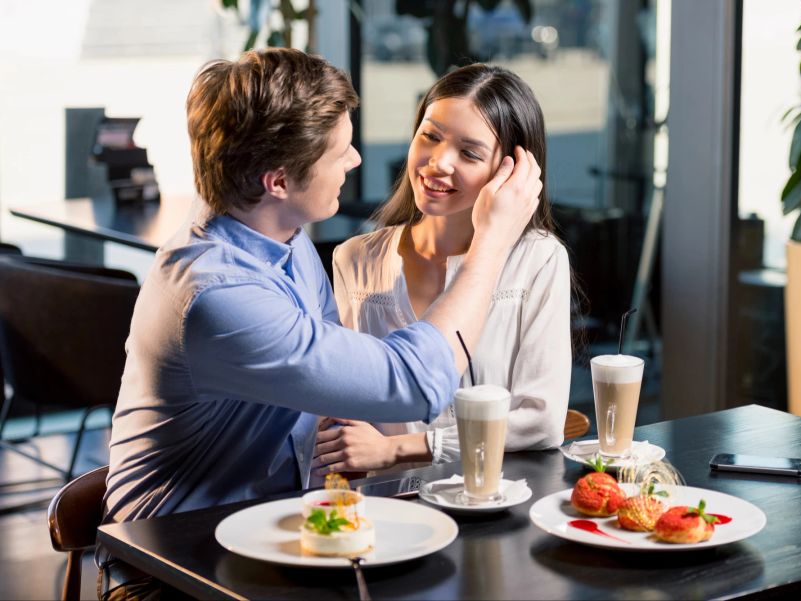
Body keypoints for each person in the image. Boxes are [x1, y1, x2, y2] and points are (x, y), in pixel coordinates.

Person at [97, 49, 541, 600]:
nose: (355, 160)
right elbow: (416, 384)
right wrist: (491, 244)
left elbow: (335, 395)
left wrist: (399, 454)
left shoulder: (284, 235)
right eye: (339, 151)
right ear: (278, 180)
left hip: (274, 533)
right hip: (173, 569)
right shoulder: (217, 295)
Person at [312, 64, 571, 477]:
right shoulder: (354, 258)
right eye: (430, 136)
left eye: (469, 153)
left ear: (512, 173)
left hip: (494, 506)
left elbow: (539, 421)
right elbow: (343, 402)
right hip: (390, 512)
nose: (438, 162)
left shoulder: (538, 260)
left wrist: (397, 448)